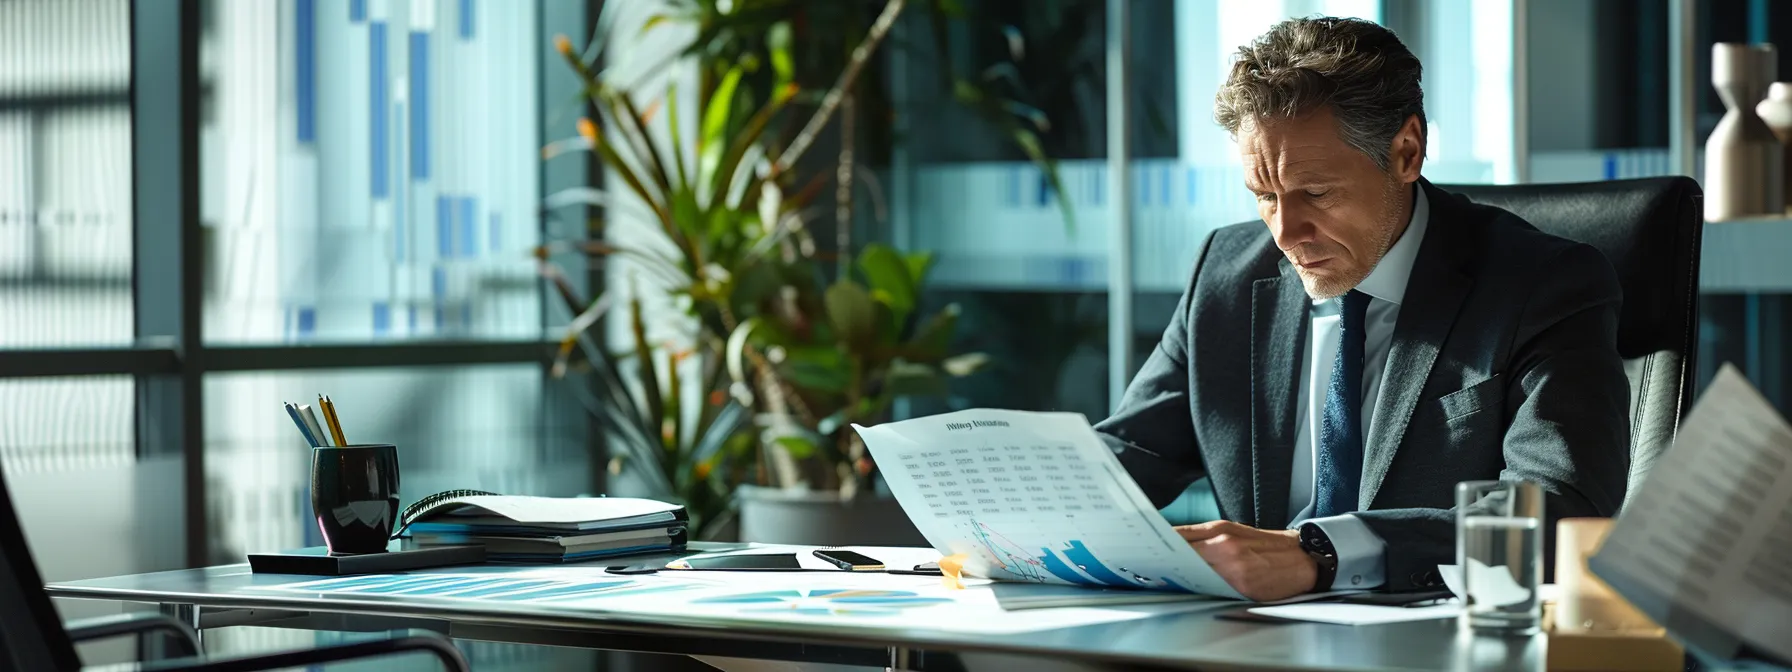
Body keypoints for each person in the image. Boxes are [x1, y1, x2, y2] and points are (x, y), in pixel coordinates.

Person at [1095, 16, 1630, 602]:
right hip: (1243, 634)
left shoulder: (1542, 286)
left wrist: (1320, 556)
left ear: (1406, 152)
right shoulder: (1226, 271)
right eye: (1265, 197)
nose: (1284, 234)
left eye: (1315, 194)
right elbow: (1131, 455)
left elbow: (1560, 509)